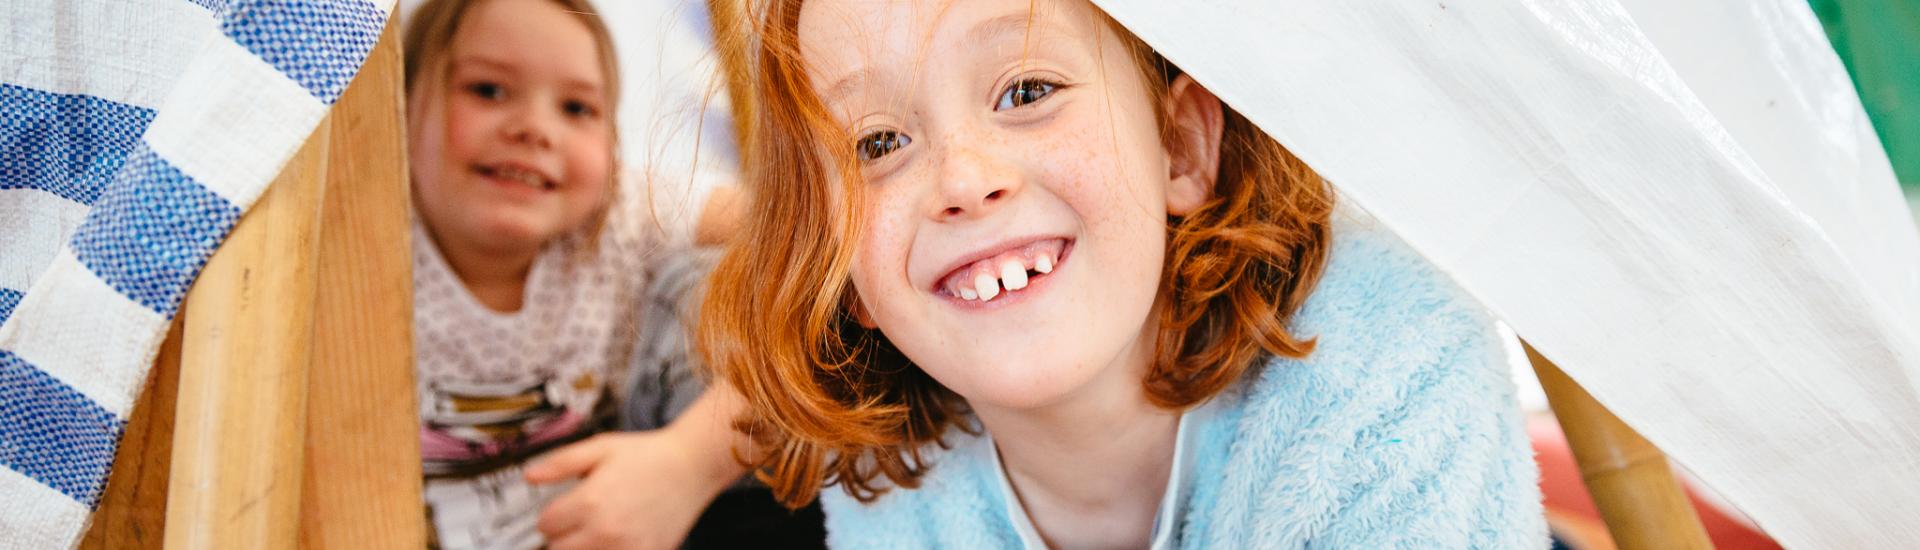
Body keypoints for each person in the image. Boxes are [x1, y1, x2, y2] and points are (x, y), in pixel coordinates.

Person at [697, 0, 1549, 547]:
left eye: (1027, 90)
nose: (962, 179)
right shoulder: (896, 504)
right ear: (840, 271)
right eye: (878, 145)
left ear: (1179, 145)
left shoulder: (1388, 373)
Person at [399, 0, 747, 546]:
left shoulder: (616, 213)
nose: (535, 128)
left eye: (577, 108)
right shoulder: (374, 251)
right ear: (400, 111)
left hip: (624, 509)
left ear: (611, 143)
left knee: (726, 285)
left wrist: (688, 461)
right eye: (487, 90)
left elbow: (786, 230)